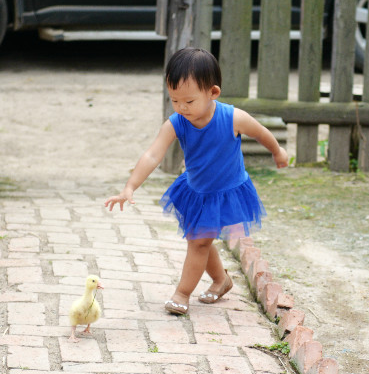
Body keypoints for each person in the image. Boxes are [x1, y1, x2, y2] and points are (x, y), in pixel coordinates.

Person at [104, 47, 288, 315]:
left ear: (213, 93)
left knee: (200, 241)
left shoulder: (232, 117)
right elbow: (153, 154)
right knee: (199, 239)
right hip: (195, 191)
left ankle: (182, 293)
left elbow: (261, 133)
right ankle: (221, 280)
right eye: (174, 100)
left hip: (226, 192)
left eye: (188, 102)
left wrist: (277, 151)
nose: (181, 108)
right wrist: (129, 187)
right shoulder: (177, 122)